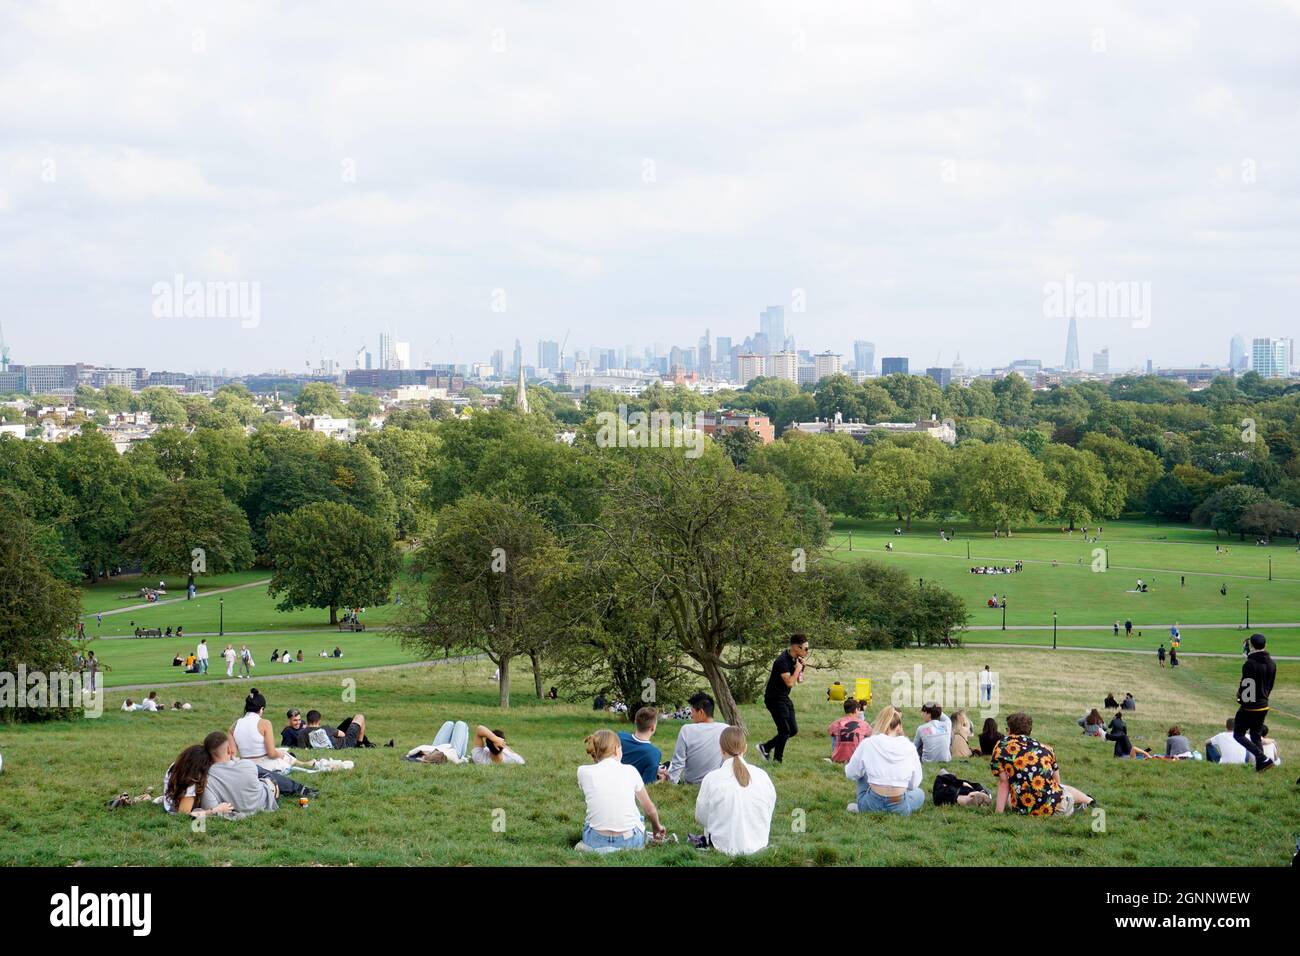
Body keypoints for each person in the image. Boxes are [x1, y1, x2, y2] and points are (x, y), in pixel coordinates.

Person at [576, 730, 665, 852]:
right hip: (630, 840)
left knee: (590, 817)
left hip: (595, 839)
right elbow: (650, 810)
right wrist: (657, 827)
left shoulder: (582, 771)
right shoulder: (631, 770)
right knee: (635, 812)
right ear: (617, 749)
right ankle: (637, 844)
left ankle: (594, 849)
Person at [990, 712, 1094, 817]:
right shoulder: (1047, 749)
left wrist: (998, 814)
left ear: (1010, 730)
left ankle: (1084, 802)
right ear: (1029, 730)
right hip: (1053, 808)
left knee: (1011, 795)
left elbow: (1004, 783)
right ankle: (1088, 801)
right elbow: (1057, 784)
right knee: (1063, 789)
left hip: (1022, 810)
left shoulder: (1001, 747)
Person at [693, 726, 776, 855]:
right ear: (745, 748)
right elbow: (769, 808)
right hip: (759, 842)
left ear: (721, 749)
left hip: (723, 845)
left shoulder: (711, 778)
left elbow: (700, 816)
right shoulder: (762, 775)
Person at [844, 706, 925, 816]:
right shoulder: (910, 747)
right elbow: (914, 784)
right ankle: (901, 805)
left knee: (861, 771)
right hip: (899, 804)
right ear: (899, 727)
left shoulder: (868, 743)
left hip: (871, 804)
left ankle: (860, 807)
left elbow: (851, 773)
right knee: (919, 793)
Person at [231, 689, 312, 772]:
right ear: (261, 709)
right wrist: (280, 754)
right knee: (283, 754)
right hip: (265, 766)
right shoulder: (265, 723)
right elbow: (271, 754)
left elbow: (232, 755)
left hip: (246, 766)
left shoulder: (233, 726)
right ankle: (303, 764)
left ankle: (302, 763)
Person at [758, 633, 808, 763]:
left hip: (784, 697)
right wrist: (798, 669)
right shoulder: (782, 661)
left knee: (793, 730)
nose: (807, 651)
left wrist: (802, 668)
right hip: (774, 698)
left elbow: (800, 680)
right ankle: (777, 760)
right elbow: (790, 683)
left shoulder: (795, 660)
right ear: (796, 647)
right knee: (784, 730)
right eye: (805, 648)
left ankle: (766, 747)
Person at [661, 692, 728, 784]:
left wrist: (671, 782)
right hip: (715, 782)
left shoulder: (686, 730)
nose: (691, 715)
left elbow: (678, 762)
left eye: (692, 711)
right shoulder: (725, 729)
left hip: (691, 782)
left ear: (701, 712)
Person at [1234, 633, 1277, 772]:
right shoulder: (1272, 663)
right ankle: (1261, 765)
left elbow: (1247, 685)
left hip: (1250, 706)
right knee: (1255, 735)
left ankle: (1262, 757)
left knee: (1238, 734)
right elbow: (1270, 686)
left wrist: (1241, 699)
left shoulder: (1250, 663)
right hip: (1264, 704)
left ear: (1252, 646)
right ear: (1265, 645)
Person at [618, 707, 662, 784]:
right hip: (629, 790)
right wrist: (662, 780)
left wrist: (656, 769)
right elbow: (648, 785)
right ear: (653, 727)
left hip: (612, 781)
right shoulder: (654, 754)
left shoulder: (619, 736)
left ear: (635, 722)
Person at [827, 697, 872, 763]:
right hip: (858, 759)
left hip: (838, 759)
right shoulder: (864, 724)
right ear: (856, 710)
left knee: (834, 733)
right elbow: (871, 733)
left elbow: (829, 730)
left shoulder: (837, 722)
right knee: (867, 736)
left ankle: (837, 754)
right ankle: (862, 755)